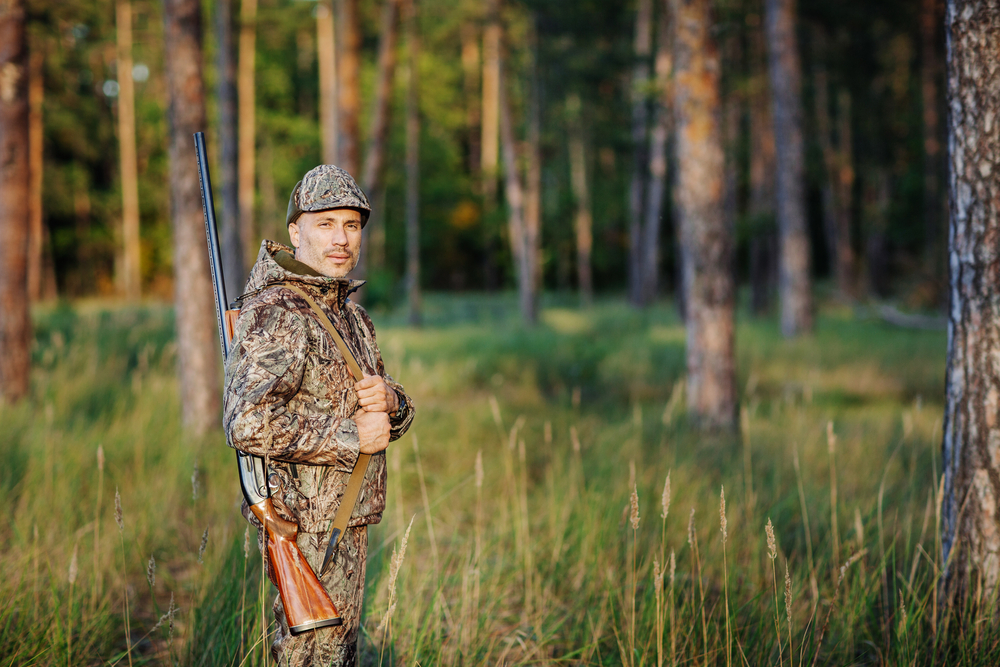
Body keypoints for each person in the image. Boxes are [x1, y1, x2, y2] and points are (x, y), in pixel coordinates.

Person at [223, 164, 415, 666]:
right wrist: (353, 436)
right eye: (325, 223)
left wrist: (393, 404)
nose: (341, 239)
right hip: (303, 529)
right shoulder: (279, 311)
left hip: (346, 519)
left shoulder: (350, 314)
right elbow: (245, 421)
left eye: (351, 225)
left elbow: (386, 409)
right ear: (295, 231)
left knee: (337, 655)